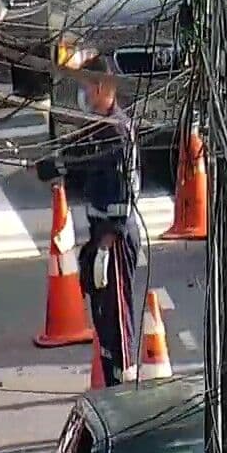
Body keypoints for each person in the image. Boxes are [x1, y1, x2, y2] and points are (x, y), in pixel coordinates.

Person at [37, 56, 140, 386]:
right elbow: (76, 156)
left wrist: (108, 242)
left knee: (116, 314)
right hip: (100, 235)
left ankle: (123, 379)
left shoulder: (116, 132)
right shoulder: (98, 128)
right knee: (101, 314)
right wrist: (52, 164)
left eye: (85, 86)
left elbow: (126, 191)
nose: (83, 93)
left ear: (101, 87)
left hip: (115, 238)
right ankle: (111, 374)